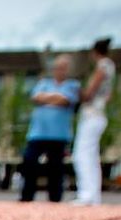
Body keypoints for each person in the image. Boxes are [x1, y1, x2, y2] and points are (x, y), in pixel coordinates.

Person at [20, 54, 80, 202]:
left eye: (63, 68)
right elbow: (36, 97)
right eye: (58, 68)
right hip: (37, 133)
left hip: (59, 135)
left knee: (55, 168)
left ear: (68, 70)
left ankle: (55, 199)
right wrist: (55, 98)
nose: (60, 71)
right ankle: (27, 196)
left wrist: (47, 99)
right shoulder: (43, 83)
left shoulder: (73, 85)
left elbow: (65, 100)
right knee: (29, 162)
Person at [73, 38, 116, 205]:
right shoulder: (111, 67)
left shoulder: (102, 66)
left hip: (92, 115)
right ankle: (94, 196)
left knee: (82, 154)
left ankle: (86, 195)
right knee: (92, 155)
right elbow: (109, 95)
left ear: (94, 53)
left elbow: (89, 94)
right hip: (100, 114)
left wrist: (78, 91)